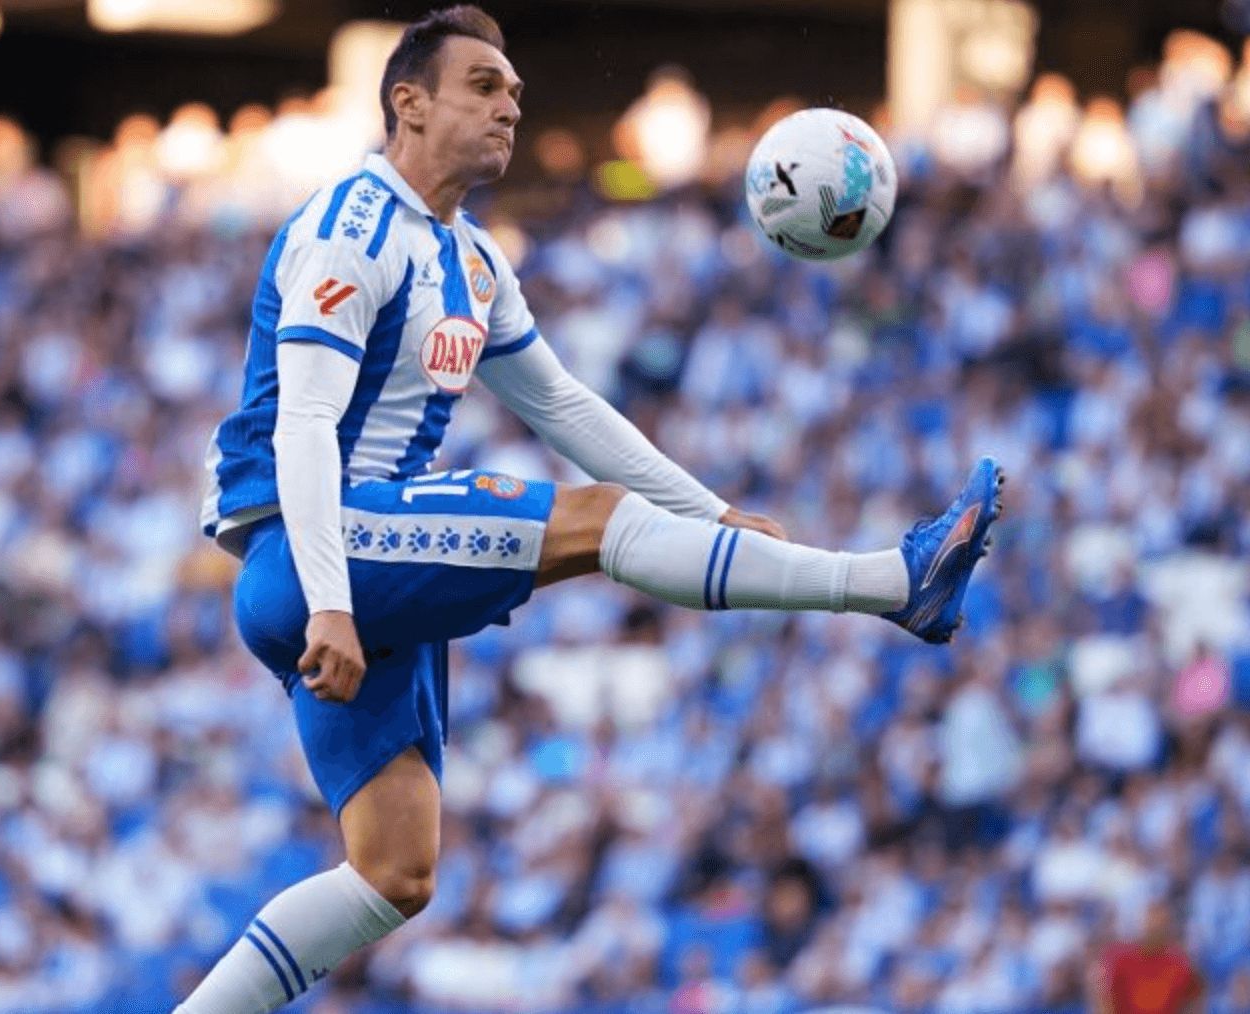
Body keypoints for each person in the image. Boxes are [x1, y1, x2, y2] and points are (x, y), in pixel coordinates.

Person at [179, 7, 1003, 1011]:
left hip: (357, 570)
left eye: (514, 94)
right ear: (408, 101)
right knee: (596, 522)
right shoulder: (350, 226)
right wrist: (330, 604)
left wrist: (710, 513)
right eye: (482, 86)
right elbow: (301, 424)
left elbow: (562, 404)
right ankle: (887, 583)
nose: (509, 106)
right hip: (313, 561)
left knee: (394, 874)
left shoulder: (472, 260)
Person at [1092, 899, 1204, 1014]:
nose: (1155, 928)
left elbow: (1197, 993)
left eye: (1161, 924)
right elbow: (1103, 995)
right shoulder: (1118, 956)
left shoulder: (1179, 962)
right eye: (1150, 923)